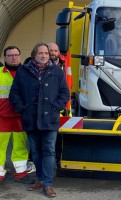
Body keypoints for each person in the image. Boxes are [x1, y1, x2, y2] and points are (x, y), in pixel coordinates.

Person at [9, 42, 70, 197]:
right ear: (34, 54)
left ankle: (47, 184)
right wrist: (22, 108)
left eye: (46, 53)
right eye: (41, 53)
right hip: (31, 118)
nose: (44, 56)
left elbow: (65, 93)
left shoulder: (57, 71)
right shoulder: (24, 71)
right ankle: (41, 179)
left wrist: (56, 107)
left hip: (50, 119)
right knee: (36, 151)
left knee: (49, 150)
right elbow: (14, 93)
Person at [0, 46, 34, 184]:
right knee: (0, 146)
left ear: (20, 56)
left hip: (21, 116)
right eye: (10, 55)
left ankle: (21, 174)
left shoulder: (27, 73)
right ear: (4, 58)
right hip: (2, 117)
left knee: (21, 146)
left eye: (16, 54)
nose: (13, 57)